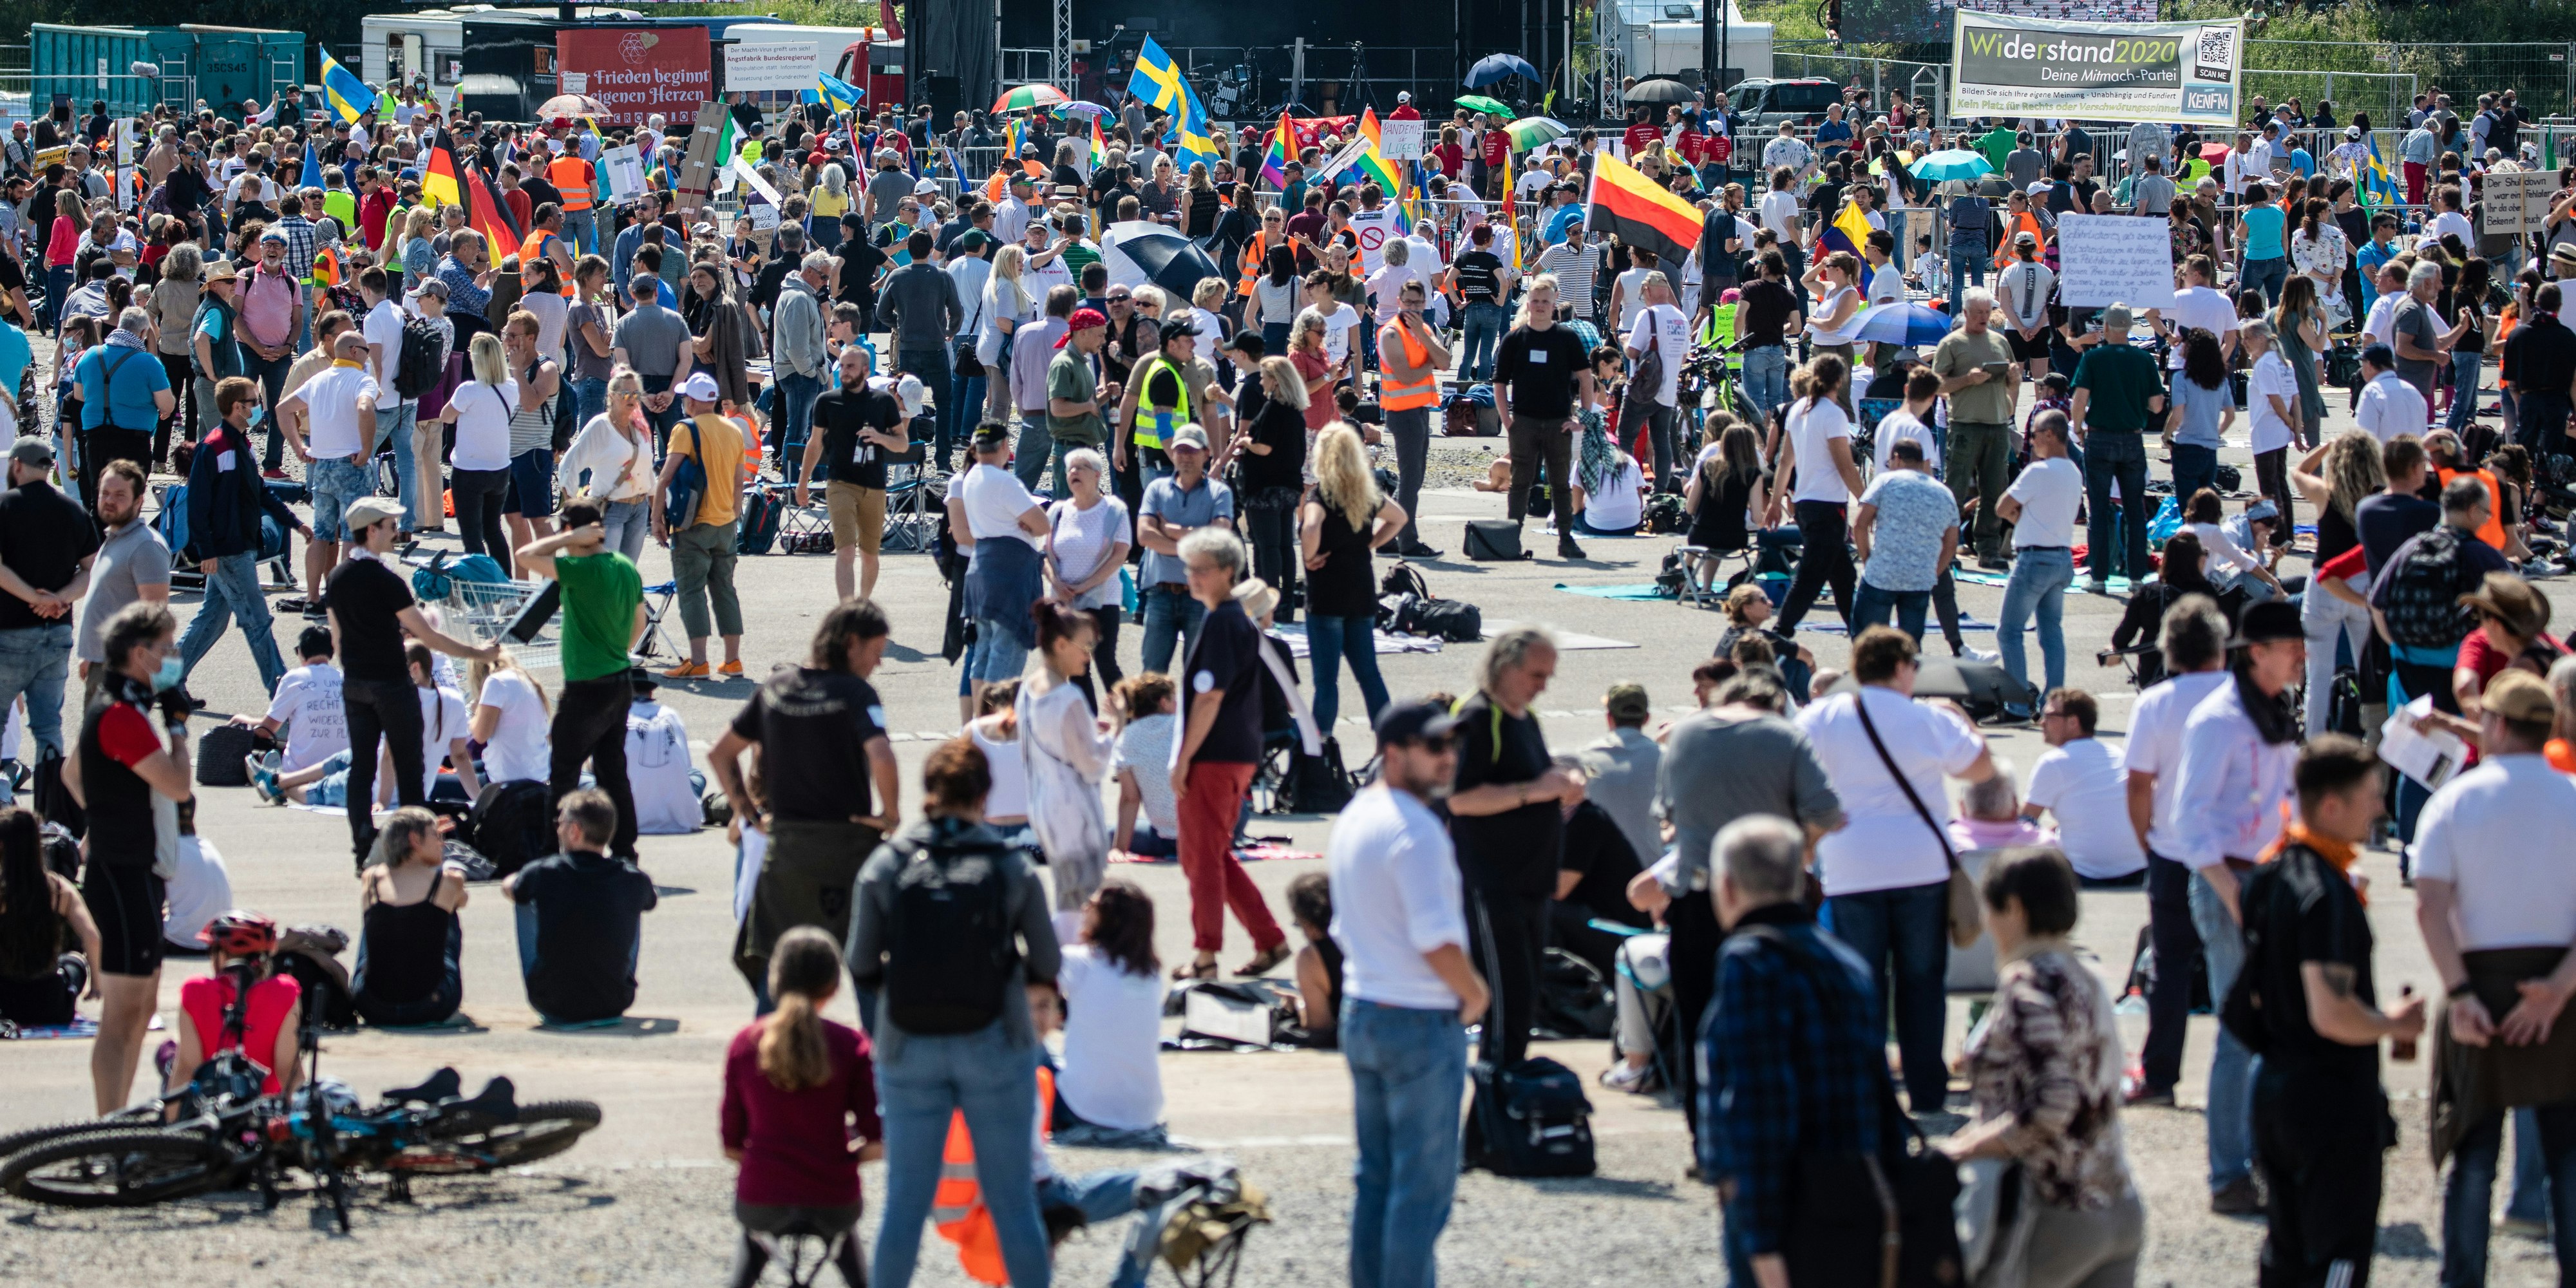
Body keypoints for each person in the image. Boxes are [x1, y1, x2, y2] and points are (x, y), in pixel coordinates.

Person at [847, 735, 1060, 1288]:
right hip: (994, 1041)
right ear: (983, 796)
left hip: (908, 1043)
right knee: (1012, 1201)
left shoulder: (887, 863)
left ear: (929, 793)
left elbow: (861, 961)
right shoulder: (1008, 864)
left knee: (905, 1206)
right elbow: (1046, 959)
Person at [2231, 735, 2425, 1288]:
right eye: (2372, 796)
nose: (2381, 809)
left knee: (2286, 1249)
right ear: (2333, 805)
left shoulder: (2269, 874)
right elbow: (2330, 1011)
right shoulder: (2325, 896)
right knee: (2337, 1253)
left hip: (2275, 1088)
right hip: (2330, 1098)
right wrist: (2394, 1023)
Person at [2409, 669, 2576, 1287]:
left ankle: (2463, 1279)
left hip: (2477, 982)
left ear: (2498, 726)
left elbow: (2429, 905)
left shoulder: (2455, 800)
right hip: (2561, 992)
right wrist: (2560, 987)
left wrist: (2459, 993)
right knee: (2569, 1154)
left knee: (2473, 1153)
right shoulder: (2574, 796)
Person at [1799, 625, 1996, 1114]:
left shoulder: (1822, 716)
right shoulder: (1928, 719)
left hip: (1851, 863)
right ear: (1905, 668)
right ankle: (1927, 1094)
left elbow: (1793, 771)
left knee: (1863, 983)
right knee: (1922, 983)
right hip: (1920, 865)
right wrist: (1961, 720)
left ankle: (1868, 1094)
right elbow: (1981, 769)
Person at [1328, 698, 1489, 1288]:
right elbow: (1436, 941)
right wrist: (1476, 996)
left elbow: (1343, 927)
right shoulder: (1417, 830)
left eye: (1451, 746)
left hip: (1364, 1007)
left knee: (1376, 1179)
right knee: (1421, 1192)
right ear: (1393, 754)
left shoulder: (1356, 816)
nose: (1448, 759)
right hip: (1417, 1019)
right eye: (1435, 747)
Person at [1697, 814, 1891, 1287]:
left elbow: (1760, 1103)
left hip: (1787, 1205)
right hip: (1850, 1195)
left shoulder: (1751, 964)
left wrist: (1762, 1244)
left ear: (1727, 887)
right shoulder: (1846, 963)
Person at [1938, 848, 2147, 1288]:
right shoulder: (2087, 975)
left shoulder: (2026, 982)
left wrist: (1969, 1146)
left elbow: (2052, 1104)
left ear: (2013, 908)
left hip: (2054, 1208)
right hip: (2117, 1201)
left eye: (1988, 907)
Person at [2170, 598, 2307, 1212]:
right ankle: (2228, 1174)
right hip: (2230, 882)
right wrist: (2235, 895)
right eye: (2292, 648)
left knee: (2274, 1027)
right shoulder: (2219, 719)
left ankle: (2262, 1160)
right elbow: (2189, 821)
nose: (2302, 656)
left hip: (2272, 882)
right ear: (2258, 653)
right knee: (2238, 1033)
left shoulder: (2274, 711)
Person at [708, 601, 900, 1005]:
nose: (879, 663)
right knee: (864, 960)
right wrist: (890, 815)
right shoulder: (856, 692)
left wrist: (747, 810)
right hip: (847, 847)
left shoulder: (776, 688)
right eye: (877, 651)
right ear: (851, 643)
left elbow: (721, 753)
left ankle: (769, 1055)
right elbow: (881, 755)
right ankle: (878, 1058)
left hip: (787, 849)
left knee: (778, 962)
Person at [325, 497, 498, 864]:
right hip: (390, 682)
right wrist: (480, 653)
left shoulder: (337, 577)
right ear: (371, 531)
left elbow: (337, 640)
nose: (396, 532)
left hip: (355, 682)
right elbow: (428, 637)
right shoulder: (387, 581)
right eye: (389, 526)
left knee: (362, 767)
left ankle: (362, 847)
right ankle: (415, 844)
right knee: (409, 766)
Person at [67, 598, 189, 1110]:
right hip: (122, 873)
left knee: (140, 1012)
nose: (174, 657)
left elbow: (72, 773)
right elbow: (178, 783)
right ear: (140, 655)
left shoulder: (126, 706)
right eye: (167, 648)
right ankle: (106, 1125)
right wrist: (179, 728)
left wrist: (102, 813)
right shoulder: (119, 713)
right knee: (122, 1015)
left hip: (137, 869)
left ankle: (115, 1120)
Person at [1446, 627, 1585, 1066]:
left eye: (1549, 676)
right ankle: (1493, 1110)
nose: (1543, 685)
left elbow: (1535, 780)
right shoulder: (1477, 716)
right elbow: (1459, 798)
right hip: (1494, 884)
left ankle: (1505, 1104)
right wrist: (1537, 790)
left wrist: (1563, 783)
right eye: (1536, 674)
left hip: (1532, 881)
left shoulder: (1525, 717)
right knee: (1506, 1005)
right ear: (1506, 668)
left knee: (1524, 1001)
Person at [721, 925, 882, 1288]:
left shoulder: (745, 1045)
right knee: (846, 1241)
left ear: (774, 981)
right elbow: (878, 1140)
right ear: (834, 986)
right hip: (833, 1197)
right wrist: (843, 1158)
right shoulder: (851, 1045)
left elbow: (731, 1145)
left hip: (762, 1196)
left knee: (754, 1236)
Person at [2121, 596, 2233, 1108]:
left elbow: (2139, 783)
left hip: (2171, 847)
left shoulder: (2155, 703)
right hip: (2235, 851)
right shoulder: (2242, 698)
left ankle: (2161, 1075)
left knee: (2169, 968)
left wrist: (2147, 838)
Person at [1166, 527, 1290, 981]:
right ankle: (1268, 939)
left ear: (1225, 572)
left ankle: (1206, 954)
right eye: (1190, 569)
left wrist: (1183, 760)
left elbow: (1209, 698)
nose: (1192, 578)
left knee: (1201, 858)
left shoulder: (1221, 622)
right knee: (1213, 855)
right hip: (1236, 753)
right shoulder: (1236, 619)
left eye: (1200, 570)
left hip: (1215, 756)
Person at [179, 380, 304, 695]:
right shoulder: (215, 446)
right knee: (258, 623)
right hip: (228, 551)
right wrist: (206, 550)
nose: (258, 406)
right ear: (238, 407)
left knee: (212, 620)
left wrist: (294, 523)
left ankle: (164, 682)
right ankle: (283, 695)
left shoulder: (241, 445)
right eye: (254, 401)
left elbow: (260, 491)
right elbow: (197, 504)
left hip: (236, 548)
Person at [502, 789, 658, 1027]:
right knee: (632, 900)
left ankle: (547, 975)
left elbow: (512, 888)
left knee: (522, 896)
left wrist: (517, 880)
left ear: (575, 831)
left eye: (560, 823)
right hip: (615, 1001)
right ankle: (618, 975)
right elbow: (651, 900)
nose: (557, 829)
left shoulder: (545, 872)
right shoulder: (632, 877)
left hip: (552, 1002)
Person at [0, 436, 99, 789]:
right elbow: (91, 569)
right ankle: (51, 807)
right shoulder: (74, 510)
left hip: (10, 633)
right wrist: (58, 599)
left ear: (16, 466)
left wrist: (31, 596)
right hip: (57, 634)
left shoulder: (4, 506)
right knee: (48, 726)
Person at [1301, 425, 1405, 743]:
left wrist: (1309, 556)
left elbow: (1311, 526)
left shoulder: (1321, 494)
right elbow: (1399, 518)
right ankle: (1389, 741)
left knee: (1326, 681)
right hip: (1360, 589)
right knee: (1368, 674)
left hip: (1327, 594)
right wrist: (1371, 543)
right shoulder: (1366, 493)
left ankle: (1320, 744)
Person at [1019, 600, 1116, 934]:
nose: (1089, 655)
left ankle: (1059, 967)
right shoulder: (1069, 697)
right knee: (1082, 900)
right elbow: (1091, 765)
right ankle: (1064, 966)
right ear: (1060, 645)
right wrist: (1116, 729)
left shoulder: (1030, 688)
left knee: (1067, 894)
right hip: (1074, 811)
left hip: (1043, 805)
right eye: (1085, 646)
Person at [1051, 880, 1169, 1144]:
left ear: (1108, 920)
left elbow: (1023, 992)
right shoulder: (1151, 974)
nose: (1083, 908)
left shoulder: (1078, 962)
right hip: (1145, 1112)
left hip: (1084, 1109)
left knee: (1034, 1048)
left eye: (1091, 905)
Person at [1492, 276, 1595, 561]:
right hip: (1523, 421)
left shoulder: (1567, 338)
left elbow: (1586, 379)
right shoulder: (1515, 339)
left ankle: (1566, 539)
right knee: (1520, 483)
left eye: (1545, 302)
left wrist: (1582, 419)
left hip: (1558, 422)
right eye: (1535, 301)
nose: (1539, 306)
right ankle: (1511, 538)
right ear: (1529, 303)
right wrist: (1507, 420)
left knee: (1561, 484)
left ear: (1554, 304)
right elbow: (1499, 383)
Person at [949, 421, 1050, 712]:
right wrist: (1027, 523)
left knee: (984, 649)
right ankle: (995, 723)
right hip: (1009, 569)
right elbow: (1042, 524)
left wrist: (1024, 521)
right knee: (1006, 649)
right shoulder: (1004, 481)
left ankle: (982, 721)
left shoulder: (970, 478)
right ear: (1005, 447)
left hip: (981, 565)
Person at [651, 372, 747, 678]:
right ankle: (733, 660)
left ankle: (699, 661)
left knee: (691, 591)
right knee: (725, 590)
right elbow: (738, 482)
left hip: (693, 524)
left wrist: (656, 519)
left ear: (692, 402)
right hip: (725, 523)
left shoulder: (685, 429)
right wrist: (733, 515)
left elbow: (665, 477)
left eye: (684, 398)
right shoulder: (733, 430)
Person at [1993, 411, 2085, 719]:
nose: (2030, 441)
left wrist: (2020, 521)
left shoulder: (2038, 472)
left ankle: (2017, 704)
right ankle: (2054, 702)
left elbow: (2002, 506)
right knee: (2051, 633)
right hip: (2062, 557)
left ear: (2049, 435)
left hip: (2035, 559)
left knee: (2009, 632)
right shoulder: (2074, 471)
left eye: (2034, 435)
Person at [2066, 303, 2164, 589]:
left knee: (2098, 509)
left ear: (2106, 328)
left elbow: (2080, 400)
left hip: (2099, 437)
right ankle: (2135, 576)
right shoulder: (2144, 360)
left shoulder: (2094, 358)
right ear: (2130, 327)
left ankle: (2099, 576)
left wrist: (2078, 429)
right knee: (2135, 510)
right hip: (2132, 438)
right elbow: (2157, 405)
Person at [1767, 355, 1864, 633]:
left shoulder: (1798, 409)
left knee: (1844, 576)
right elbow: (1845, 466)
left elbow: (1785, 462)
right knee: (1811, 577)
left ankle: (1860, 636)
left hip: (1805, 503)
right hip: (1828, 506)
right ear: (1841, 380)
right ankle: (1780, 633)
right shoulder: (1833, 414)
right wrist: (1869, 501)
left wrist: (1775, 503)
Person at [350, 806, 467, 1027]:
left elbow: (379, 860)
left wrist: (416, 836)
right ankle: (434, 986)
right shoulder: (450, 880)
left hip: (373, 1006)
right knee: (447, 914)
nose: (442, 843)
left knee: (375, 917)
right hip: (432, 1005)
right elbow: (463, 901)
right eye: (437, 836)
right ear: (415, 839)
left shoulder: (371, 878)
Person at [167, 911, 303, 1098]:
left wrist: (174, 1125)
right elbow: (289, 1072)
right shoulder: (284, 992)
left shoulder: (195, 991)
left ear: (220, 956)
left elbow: (186, 1070)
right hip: (266, 1113)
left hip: (210, 1112)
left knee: (166, 1053)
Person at [1135, 426, 1234, 676]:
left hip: (1201, 597)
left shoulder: (1219, 493)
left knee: (1200, 677)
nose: (1185, 456)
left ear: (1207, 454)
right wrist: (1193, 545)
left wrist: (1170, 529)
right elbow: (1145, 535)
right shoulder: (1156, 489)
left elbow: (1219, 536)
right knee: (1152, 678)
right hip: (1160, 594)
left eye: (1192, 451)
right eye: (1180, 450)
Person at [2022, 689, 2146, 885]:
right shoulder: (2116, 753)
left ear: (2073, 722)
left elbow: (2026, 823)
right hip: (2138, 870)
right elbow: (2099, 811)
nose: (2041, 722)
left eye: (2049, 716)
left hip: (2085, 876)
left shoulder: (2053, 762)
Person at [72, 460, 168, 701]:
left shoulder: (146, 547)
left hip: (123, 674)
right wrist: (91, 656)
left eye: (120, 495)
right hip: (102, 664)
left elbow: (156, 621)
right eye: (105, 493)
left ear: (139, 501)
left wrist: (163, 687)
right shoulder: (116, 537)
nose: (109, 500)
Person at [0, 803, 100, 1027]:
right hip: (52, 1004)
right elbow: (92, 938)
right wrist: (97, 986)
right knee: (74, 959)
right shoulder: (58, 888)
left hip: (5, 1003)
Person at [1850, 437, 1956, 645]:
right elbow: (1951, 544)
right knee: (1909, 650)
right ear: (1922, 461)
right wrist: (1932, 573)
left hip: (1882, 575)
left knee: (1868, 645)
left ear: (1897, 458)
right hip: (1919, 580)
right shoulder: (1944, 493)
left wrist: (1867, 558)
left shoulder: (1885, 482)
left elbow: (1860, 524)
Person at [1377, 278, 1448, 555]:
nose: (1414, 308)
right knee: (1410, 478)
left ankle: (1388, 537)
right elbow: (1406, 376)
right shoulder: (1391, 333)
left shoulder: (1425, 329)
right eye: (1409, 303)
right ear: (1399, 302)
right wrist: (1431, 364)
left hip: (1420, 410)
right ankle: (1408, 540)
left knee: (1414, 478)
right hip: (1401, 411)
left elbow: (1446, 362)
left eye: (1419, 303)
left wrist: (1430, 350)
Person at [1111, 674, 1182, 858]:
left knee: (1106, 832)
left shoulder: (1127, 738)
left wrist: (1119, 850)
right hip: (1208, 833)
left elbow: (1130, 798)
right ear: (1164, 702)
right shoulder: (1185, 727)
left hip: (1166, 839)